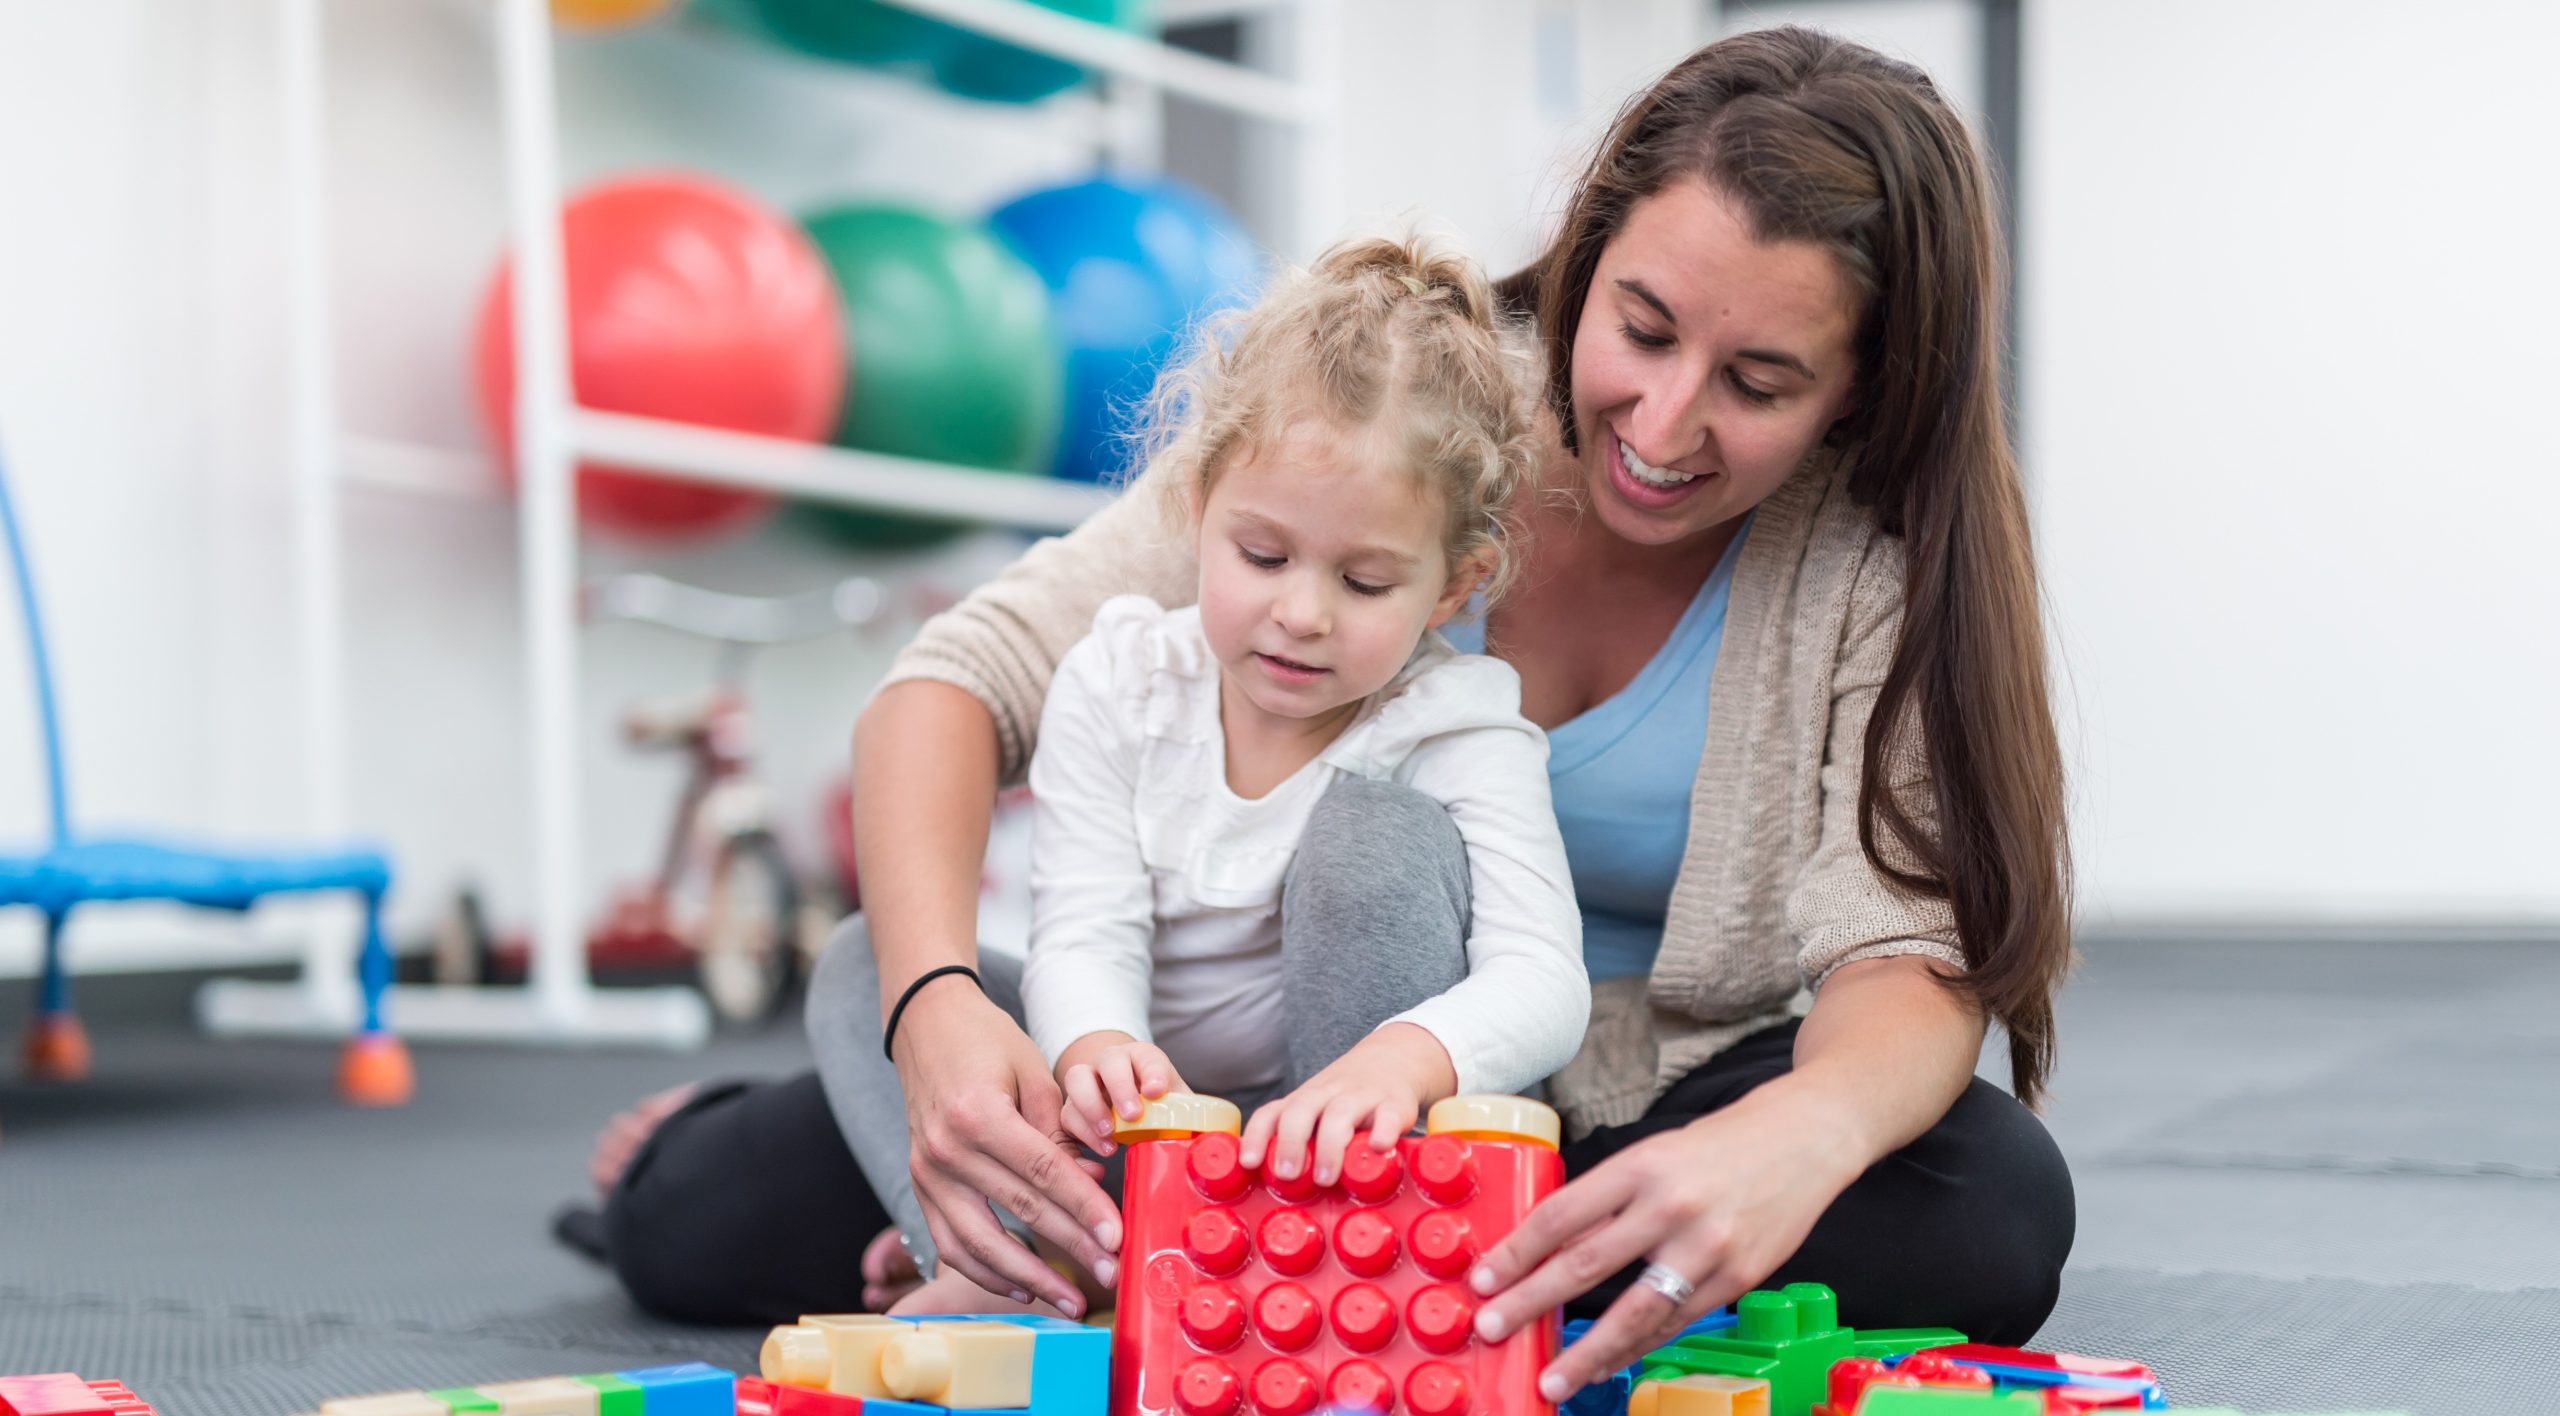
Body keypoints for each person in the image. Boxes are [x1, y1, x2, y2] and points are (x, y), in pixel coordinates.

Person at [596, 25, 2075, 1395]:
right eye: (1641, 324)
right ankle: (1140, 1236)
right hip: (1208, 1063)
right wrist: (933, 1019)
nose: (1666, 422)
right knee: (694, 1224)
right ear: (1590, 245)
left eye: (1759, 380)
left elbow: (1906, 954)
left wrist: (1785, 1144)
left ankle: (1263, 1268)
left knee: (1991, 1211)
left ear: (1859, 396)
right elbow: (953, 690)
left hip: (1597, 1097)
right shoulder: (1380, 417)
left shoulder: (1866, 563)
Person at [885, 233, 1588, 1315]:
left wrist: (1399, 1064)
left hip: (1362, 1137)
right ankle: (1041, 1253)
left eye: (1363, 581)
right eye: (1262, 556)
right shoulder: (1118, 676)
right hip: (1158, 1137)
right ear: (1197, 504)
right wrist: (1100, 1046)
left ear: (1455, 587)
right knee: (874, 973)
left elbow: (1543, 981)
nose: (1299, 614)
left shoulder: (1456, 719)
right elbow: (1084, 930)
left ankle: (1315, 1266)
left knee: (1376, 846)